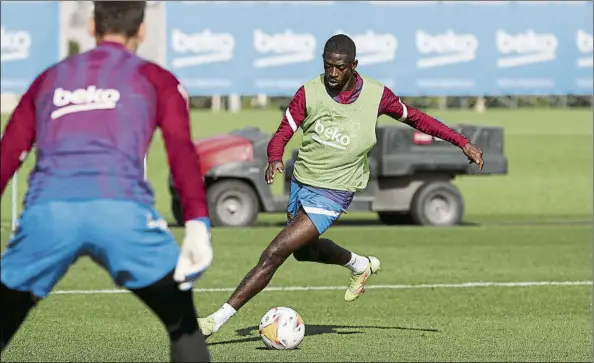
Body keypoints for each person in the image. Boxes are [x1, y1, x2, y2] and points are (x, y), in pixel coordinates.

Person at [197, 34, 484, 338]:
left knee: (274, 253)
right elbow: (283, 132)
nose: (332, 74)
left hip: (334, 192)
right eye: (327, 66)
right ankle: (360, 265)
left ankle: (215, 320)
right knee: (304, 253)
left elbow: (417, 118)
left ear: (353, 66)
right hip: (302, 182)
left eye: (339, 68)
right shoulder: (309, 91)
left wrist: (461, 142)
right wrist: (274, 157)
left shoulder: (377, 95)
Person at [0, 2, 213, 362]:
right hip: (122, 215)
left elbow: (8, 154)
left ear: (91, 26)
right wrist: (197, 223)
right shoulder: (157, 78)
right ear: (142, 30)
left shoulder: (48, 78)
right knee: (183, 324)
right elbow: (180, 151)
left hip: (47, 217)